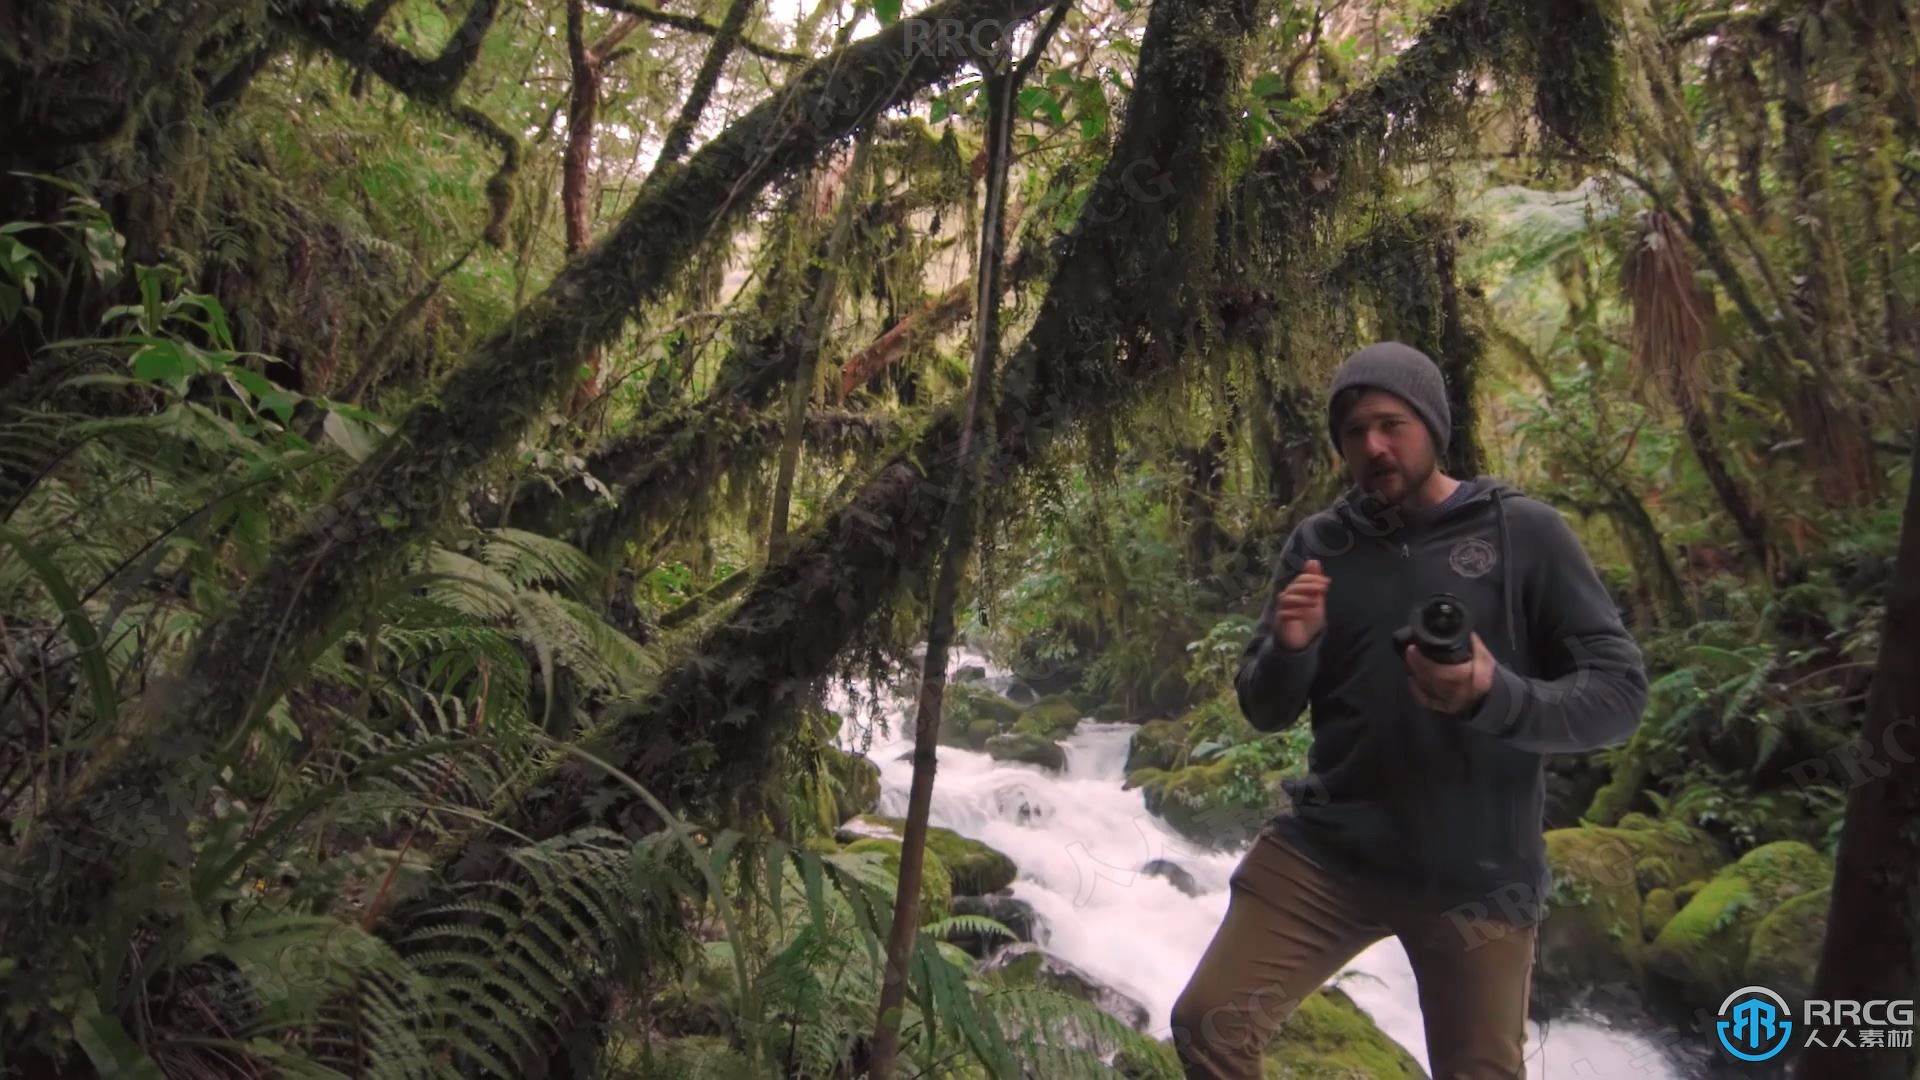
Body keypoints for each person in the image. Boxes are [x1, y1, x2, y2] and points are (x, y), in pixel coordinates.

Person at [1170, 342, 1648, 1079]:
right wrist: (1292, 647)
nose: (1374, 447)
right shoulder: (1322, 543)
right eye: (1354, 432)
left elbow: (1619, 694)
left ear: (1432, 423)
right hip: (1331, 850)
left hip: (1476, 872)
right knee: (1209, 1022)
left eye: (1392, 424)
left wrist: (1496, 695)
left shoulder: (1524, 533)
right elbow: (1265, 707)